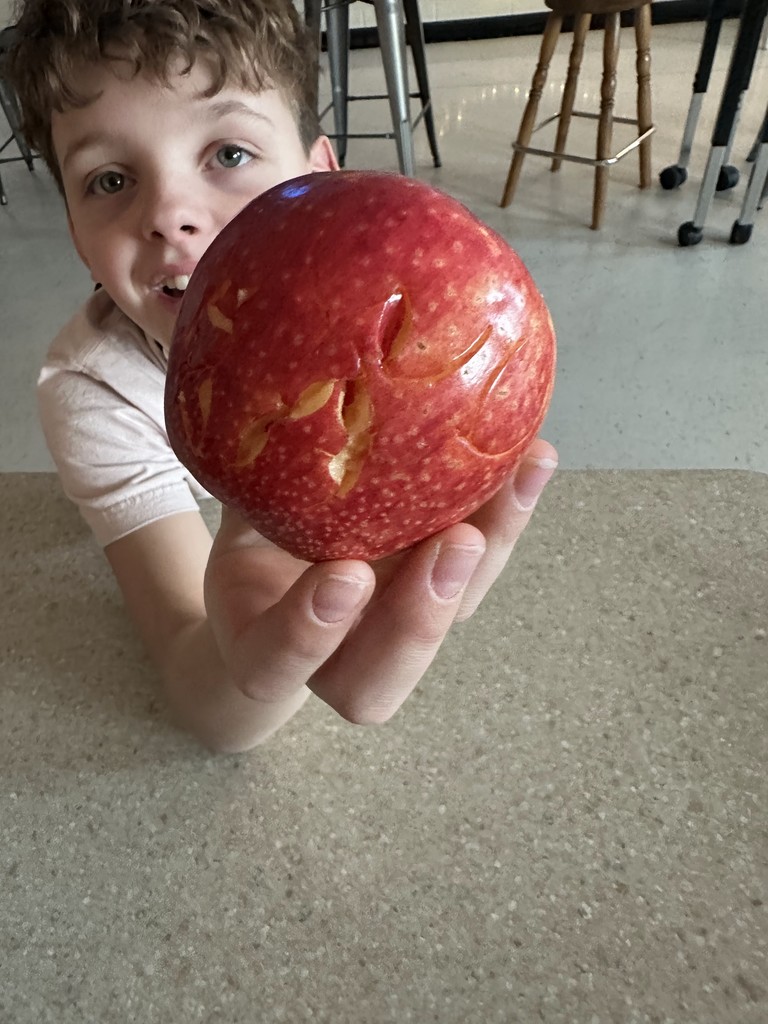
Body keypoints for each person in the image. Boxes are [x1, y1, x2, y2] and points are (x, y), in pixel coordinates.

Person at [6, 0, 558, 754]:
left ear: (323, 180)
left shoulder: (417, 360)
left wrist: (358, 523)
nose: (169, 214)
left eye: (229, 154)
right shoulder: (95, 392)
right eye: (108, 180)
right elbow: (193, 677)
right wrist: (266, 646)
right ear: (75, 234)